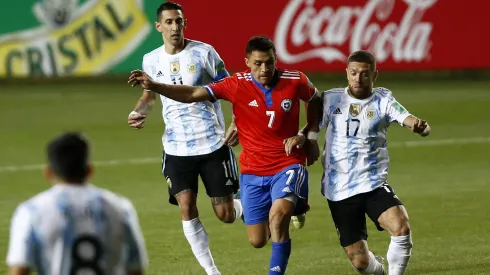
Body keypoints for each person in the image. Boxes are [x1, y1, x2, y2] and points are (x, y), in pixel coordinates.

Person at [128, 36, 322, 275]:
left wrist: (309, 136)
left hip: (288, 161)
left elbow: (315, 98)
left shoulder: (295, 80)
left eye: (269, 63)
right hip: (253, 169)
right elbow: (192, 94)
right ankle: (295, 206)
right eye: (258, 63)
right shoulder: (236, 84)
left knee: (278, 216)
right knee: (257, 239)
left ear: (275, 61)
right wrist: (155, 85)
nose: (265, 69)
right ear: (247, 63)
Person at [126, 2, 242, 275]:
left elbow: (235, 89)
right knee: (186, 206)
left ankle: (247, 207)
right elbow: (149, 97)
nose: (174, 27)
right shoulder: (151, 60)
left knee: (225, 215)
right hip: (176, 147)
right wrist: (138, 111)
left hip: (213, 143)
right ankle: (212, 271)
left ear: (184, 23)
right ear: (159, 27)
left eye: (178, 21)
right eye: (168, 22)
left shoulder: (204, 53)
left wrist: (238, 121)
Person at [309, 50, 430, 275]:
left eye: (364, 74)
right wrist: (303, 140)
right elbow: (310, 128)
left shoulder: (383, 99)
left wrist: (417, 125)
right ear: (346, 73)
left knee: (401, 227)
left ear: (375, 75)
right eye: (353, 73)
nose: (358, 78)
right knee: (361, 263)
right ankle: (380, 270)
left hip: (372, 182)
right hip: (339, 190)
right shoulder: (331, 99)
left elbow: (405, 117)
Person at [6, 132, 148, 275]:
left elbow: (20, 270)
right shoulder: (119, 208)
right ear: (89, 170)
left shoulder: (32, 211)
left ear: (48, 172)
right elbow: (135, 269)